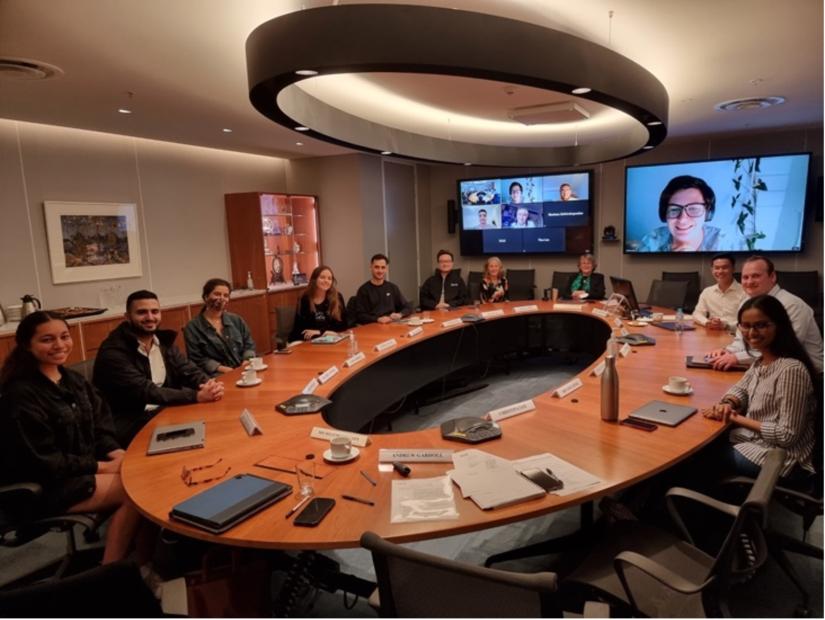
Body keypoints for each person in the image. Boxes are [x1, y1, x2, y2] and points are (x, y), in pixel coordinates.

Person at [0, 311, 141, 564]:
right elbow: (44, 461)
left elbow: (100, 429)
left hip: (81, 472)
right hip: (47, 485)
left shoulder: (73, 380)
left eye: (64, 336)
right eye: (47, 339)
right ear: (26, 345)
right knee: (138, 491)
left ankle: (144, 563)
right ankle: (110, 576)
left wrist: (118, 454)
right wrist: (104, 466)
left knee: (144, 472)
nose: (59, 345)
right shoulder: (20, 394)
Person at [702, 295, 816, 480]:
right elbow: (740, 389)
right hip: (756, 443)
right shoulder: (761, 362)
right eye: (745, 326)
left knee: (698, 456)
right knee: (705, 445)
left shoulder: (791, 369)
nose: (752, 332)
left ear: (779, 325)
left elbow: (786, 436)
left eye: (761, 325)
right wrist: (728, 403)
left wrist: (733, 417)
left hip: (781, 459)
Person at [93, 290, 224, 445]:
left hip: (164, 411)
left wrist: (209, 385)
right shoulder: (113, 352)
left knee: (217, 426)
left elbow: (188, 370)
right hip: (129, 422)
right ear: (127, 317)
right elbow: (146, 391)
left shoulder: (162, 342)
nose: (150, 317)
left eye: (154, 311)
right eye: (142, 312)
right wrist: (196, 396)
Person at [706, 256, 823, 373]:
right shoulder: (746, 303)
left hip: (808, 374)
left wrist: (737, 358)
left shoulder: (792, 305)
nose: (749, 282)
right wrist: (728, 351)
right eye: (745, 277)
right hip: (765, 368)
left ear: (772, 277)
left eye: (756, 276)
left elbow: (784, 348)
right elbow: (742, 340)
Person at [637, 175, 746, 252]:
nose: (683, 219)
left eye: (693, 209)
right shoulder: (653, 240)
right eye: (674, 209)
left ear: (707, 212)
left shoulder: (726, 243)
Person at [184, 278, 256, 376]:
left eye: (226, 295)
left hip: (244, 370)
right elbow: (197, 359)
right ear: (205, 297)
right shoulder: (192, 327)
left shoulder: (236, 320)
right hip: (216, 375)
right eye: (217, 294)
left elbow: (249, 344)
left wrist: (247, 360)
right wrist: (223, 369)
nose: (222, 298)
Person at [290, 265, 348, 340]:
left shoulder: (337, 297)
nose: (326, 281)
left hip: (331, 339)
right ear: (314, 279)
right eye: (322, 277)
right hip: (307, 341)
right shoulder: (304, 299)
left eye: (329, 279)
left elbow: (343, 325)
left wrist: (321, 332)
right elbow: (300, 329)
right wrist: (325, 332)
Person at [692, 253, 747, 331]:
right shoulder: (707, 292)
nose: (720, 271)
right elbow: (697, 314)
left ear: (733, 269)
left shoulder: (745, 291)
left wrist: (726, 325)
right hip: (712, 334)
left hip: (735, 335)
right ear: (712, 270)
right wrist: (707, 322)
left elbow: (747, 321)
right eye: (717, 268)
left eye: (725, 267)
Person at [354, 254, 413, 324]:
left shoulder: (392, 287)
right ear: (371, 267)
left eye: (383, 267)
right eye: (376, 267)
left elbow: (407, 307)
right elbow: (360, 315)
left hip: (392, 325)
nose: (380, 271)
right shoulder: (363, 290)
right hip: (374, 326)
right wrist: (377, 319)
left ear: (386, 269)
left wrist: (400, 314)